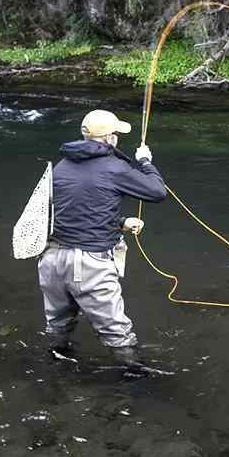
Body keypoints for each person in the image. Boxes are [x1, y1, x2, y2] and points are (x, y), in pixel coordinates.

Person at [38, 108, 167, 373]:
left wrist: (120, 222)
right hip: (88, 265)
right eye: (116, 134)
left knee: (58, 325)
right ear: (110, 138)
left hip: (51, 260)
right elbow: (157, 192)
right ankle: (137, 378)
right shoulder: (114, 167)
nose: (117, 138)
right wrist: (145, 162)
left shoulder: (61, 166)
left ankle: (54, 369)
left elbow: (73, 210)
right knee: (117, 332)